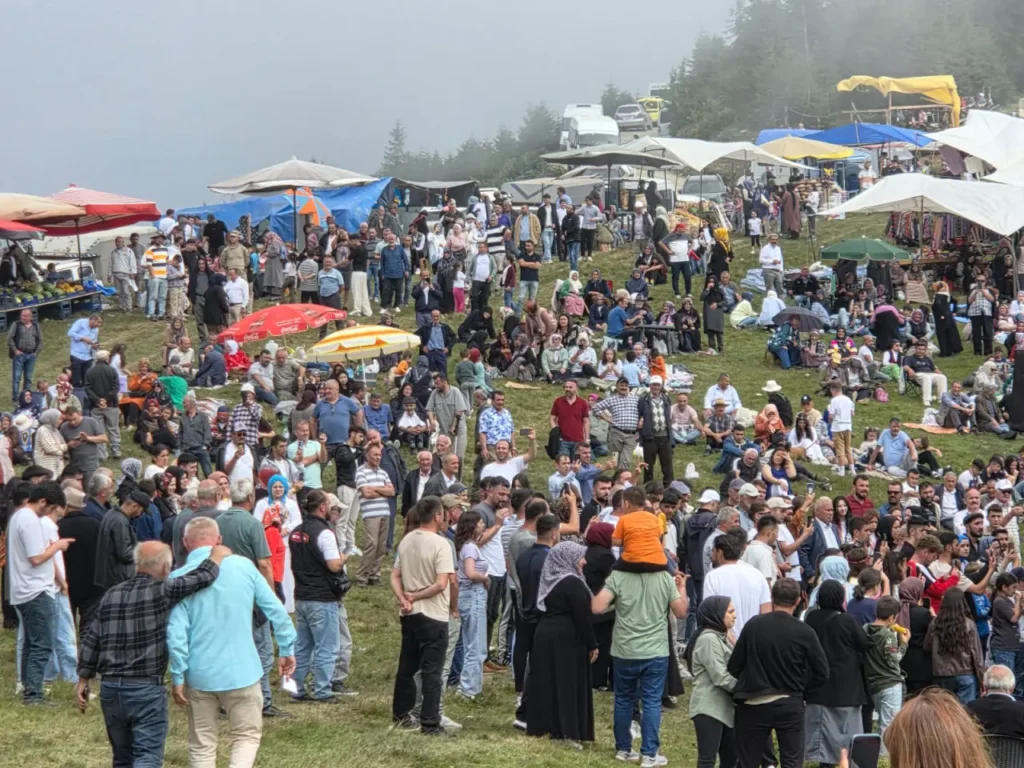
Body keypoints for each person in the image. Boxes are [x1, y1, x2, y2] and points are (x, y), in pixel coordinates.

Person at [76, 540, 227, 764]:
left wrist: (83, 678)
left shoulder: (112, 594)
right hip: (145, 687)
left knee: (122, 756)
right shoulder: (164, 590)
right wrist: (216, 556)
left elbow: (93, 637)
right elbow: (202, 577)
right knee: (147, 754)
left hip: (110, 688)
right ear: (166, 567)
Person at [168, 517, 296, 766]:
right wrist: (286, 647)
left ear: (185, 543)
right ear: (219, 541)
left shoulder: (178, 577)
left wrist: (178, 675)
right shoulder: (244, 567)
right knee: (246, 736)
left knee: (202, 743)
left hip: (200, 673)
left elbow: (176, 634)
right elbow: (276, 609)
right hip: (243, 670)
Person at [591, 545, 689, 767]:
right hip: (655, 651)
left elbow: (597, 607)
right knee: (652, 701)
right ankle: (650, 754)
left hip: (624, 650)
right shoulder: (664, 578)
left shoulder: (617, 576)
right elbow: (681, 612)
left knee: (624, 699)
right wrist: (681, 587)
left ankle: (623, 749)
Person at [727, 578, 829, 768]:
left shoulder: (753, 625)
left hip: (753, 701)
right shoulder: (804, 631)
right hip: (790, 701)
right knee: (791, 761)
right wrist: (804, 691)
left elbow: (734, 666)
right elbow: (822, 671)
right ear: (798, 600)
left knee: (748, 761)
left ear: (772, 598)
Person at [390, 497, 455, 735]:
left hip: (409, 614)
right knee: (432, 671)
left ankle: (400, 714)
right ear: (437, 516)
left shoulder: (407, 540)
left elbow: (395, 575)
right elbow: (441, 584)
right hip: (434, 614)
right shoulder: (441, 544)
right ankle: (430, 721)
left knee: (407, 666)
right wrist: (416, 596)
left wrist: (403, 598)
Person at [524, 541, 596, 746]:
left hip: (545, 634)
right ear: (568, 558)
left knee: (547, 682)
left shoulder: (551, 580)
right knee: (566, 684)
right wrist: (592, 643)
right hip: (565, 638)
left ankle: (544, 725)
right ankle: (567, 731)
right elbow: (582, 617)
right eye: (581, 557)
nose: (584, 561)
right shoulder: (572, 582)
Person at [8, 482, 71, 705]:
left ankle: (28, 687)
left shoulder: (18, 517)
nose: (48, 515)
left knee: (29, 644)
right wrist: (57, 546)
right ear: (43, 501)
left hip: (23, 589)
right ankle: (34, 694)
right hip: (35, 589)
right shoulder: (30, 520)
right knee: (41, 644)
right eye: (49, 508)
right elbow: (36, 557)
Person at [803, 580, 869, 766]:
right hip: (846, 686)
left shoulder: (811, 618)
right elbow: (864, 643)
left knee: (822, 736)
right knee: (846, 734)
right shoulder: (846, 620)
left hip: (818, 686)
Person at [924, 587, 984, 704]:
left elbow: (927, 646)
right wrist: (981, 678)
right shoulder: (969, 624)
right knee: (964, 713)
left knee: (943, 713)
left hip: (941, 674)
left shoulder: (935, 624)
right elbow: (976, 653)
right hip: (966, 673)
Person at [864, 595, 909, 749]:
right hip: (890, 683)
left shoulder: (865, 629)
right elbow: (894, 659)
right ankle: (885, 759)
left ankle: (880, 755)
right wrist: (903, 644)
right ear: (891, 617)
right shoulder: (888, 636)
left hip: (874, 684)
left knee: (881, 723)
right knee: (889, 725)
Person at [966, 664, 1024, 739]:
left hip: (981, 750)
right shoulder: (1021, 710)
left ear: (984, 686)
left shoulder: (971, 708)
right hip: (1016, 750)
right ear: (1012, 687)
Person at [8, 308, 43, 404]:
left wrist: (36, 353)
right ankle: (15, 398)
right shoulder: (16, 325)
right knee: (17, 377)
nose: (23, 317)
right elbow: (9, 338)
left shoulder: (36, 325)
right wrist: (15, 350)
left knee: (28, 378)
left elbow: (40, 340)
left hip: (31, 355)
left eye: (25, 316)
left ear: (31, 317)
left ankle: (25, 397)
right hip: (19, 355)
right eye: (22, 315)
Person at [68, 314, 102, 387]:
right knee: (76, 378)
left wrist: (95, 345)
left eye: (100, 323)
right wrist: (82, 338)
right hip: (77, 354)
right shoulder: (80, 323)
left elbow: (94, 340)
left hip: (88, 356)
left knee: (87, 379)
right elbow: (70, 333)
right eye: (98, 322)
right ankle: (77, 393)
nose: (99, 325)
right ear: (92, 320)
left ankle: (85, 394)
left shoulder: (96, 329)